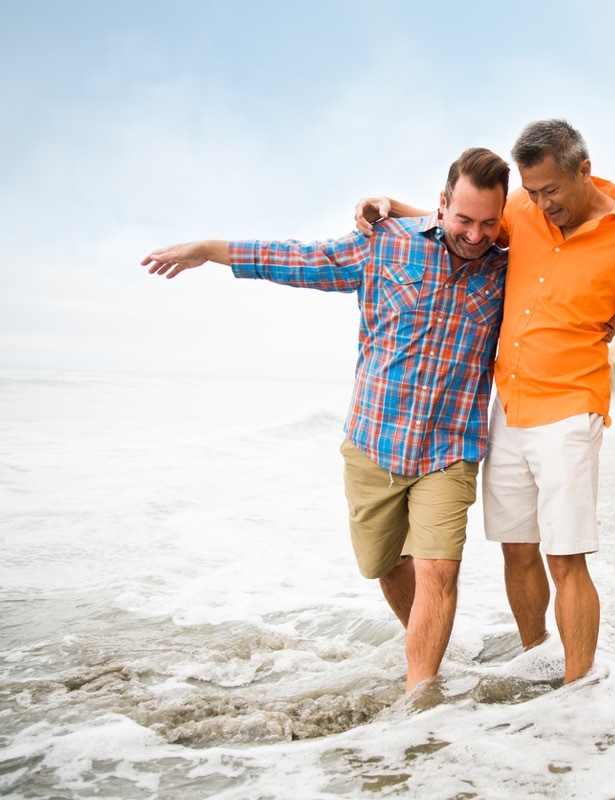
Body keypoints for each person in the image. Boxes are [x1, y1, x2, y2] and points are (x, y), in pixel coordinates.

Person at [142, 147, 511, 696]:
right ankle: (433, 650)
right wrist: (210, 250)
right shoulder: (386, 242)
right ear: (441, 204)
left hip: (449, 450)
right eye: (464, 219)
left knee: (439, 571)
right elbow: (295, 258)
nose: (476, 235)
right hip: (373, 441)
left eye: (488, 222)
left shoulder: (507, 265)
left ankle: (423, 698)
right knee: (385, 566)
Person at [355, 121, 615, 684]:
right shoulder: (522, 208)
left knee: (565, 558)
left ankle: (578, 688)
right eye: (532, 192)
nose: (540, 204)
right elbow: (462, 223)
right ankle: (535, 655)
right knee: (516, 551)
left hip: (571, 408)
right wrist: (388, 205)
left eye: (551, 192)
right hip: (509, 408)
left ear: (583, 171)